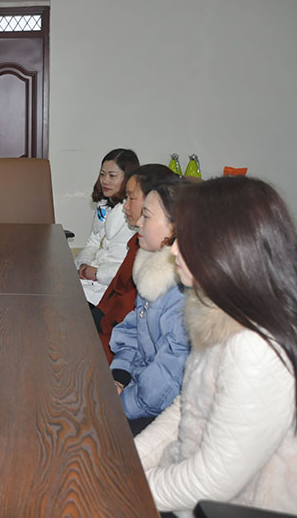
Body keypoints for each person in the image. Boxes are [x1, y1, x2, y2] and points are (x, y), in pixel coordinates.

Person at [135, 176, 297, 517]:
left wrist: (126, 485)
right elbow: (186, 407)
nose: (173, 250)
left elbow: (212, 482)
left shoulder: (257, 348)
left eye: (187, 239)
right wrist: (127, 463)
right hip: (198, 494)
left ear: (226, 248)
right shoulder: (219, 309)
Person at [109, 178, 189, 436]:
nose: (139, 223)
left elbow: (168, 377)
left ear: (174, 227)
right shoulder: (153, 269)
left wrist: (122, 403)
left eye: (147, 216)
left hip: (166, 410)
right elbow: (133, 329)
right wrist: (119, 375)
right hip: (140, 392)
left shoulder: (182, 291)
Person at [93, 164, 178, 362]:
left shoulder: (166, 270)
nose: (125, 205)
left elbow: (126, 318)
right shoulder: (138, 244)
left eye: (131, 198)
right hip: (113, 329)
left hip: (116, 341)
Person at [75, 148, 140, 305]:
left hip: (111, 288)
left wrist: (97, 273)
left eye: (112, 176)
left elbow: (130, 269)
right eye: (102, 174)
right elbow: (93, 241)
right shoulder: (104, 204)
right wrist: (84, 264)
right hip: (92, 280)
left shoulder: (134, 213)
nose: (105, 181)